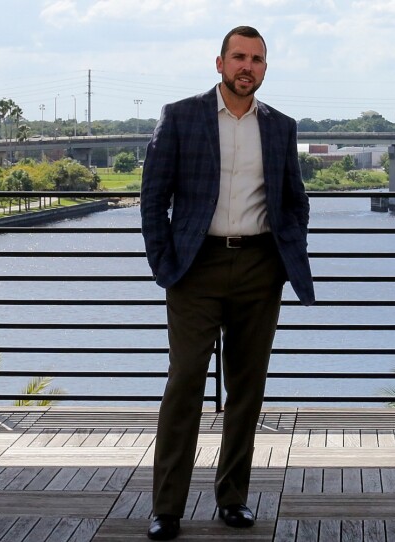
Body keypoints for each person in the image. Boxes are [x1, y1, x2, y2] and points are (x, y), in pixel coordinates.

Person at [140, 25, 315, 541]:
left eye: (257, 60)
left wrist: (286, 252)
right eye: (239, 57)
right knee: (186, 379)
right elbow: (154, 197)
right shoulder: (181, 116)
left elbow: (294, 199)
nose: (248, 67)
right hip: (196, 268)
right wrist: (163, 263)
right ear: (219, 63)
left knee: (247, 387)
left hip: (261, 268)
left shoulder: (281, 126)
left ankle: (232, 498)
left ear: (265, 68)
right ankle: (166, 507)